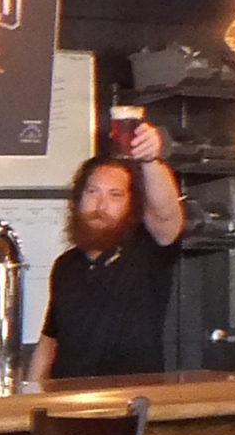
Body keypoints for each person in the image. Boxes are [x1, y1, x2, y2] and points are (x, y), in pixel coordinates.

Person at [30, 119, 185, 381]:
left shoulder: (146, 250)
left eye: (115, 195)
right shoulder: (65, 265)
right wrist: (27, 403)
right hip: (67, 407)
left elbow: (166, 215)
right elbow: (49, 342)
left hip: (128, 407)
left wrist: (150, 161)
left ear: (131, 205)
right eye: (92, 192)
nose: (100, 204)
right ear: (78, 199)